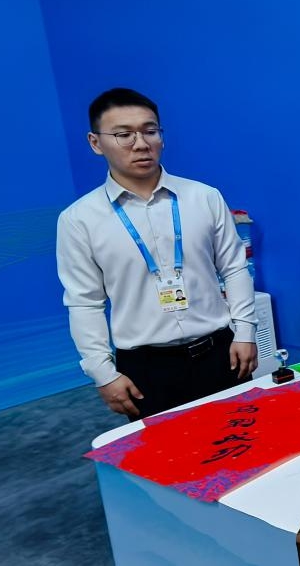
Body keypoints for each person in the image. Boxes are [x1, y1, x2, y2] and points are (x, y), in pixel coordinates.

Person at [57, 88, 258, 420]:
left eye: (150, 131)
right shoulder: (79, 220)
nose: (140, 143)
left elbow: (235, 268)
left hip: (220, 354)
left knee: (246, 450)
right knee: (171, 466)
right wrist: (103, 373)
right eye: (123, 134)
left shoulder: (203, 197)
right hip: (145, 370)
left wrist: (246, 332)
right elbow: (84, 302)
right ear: (96, 143)